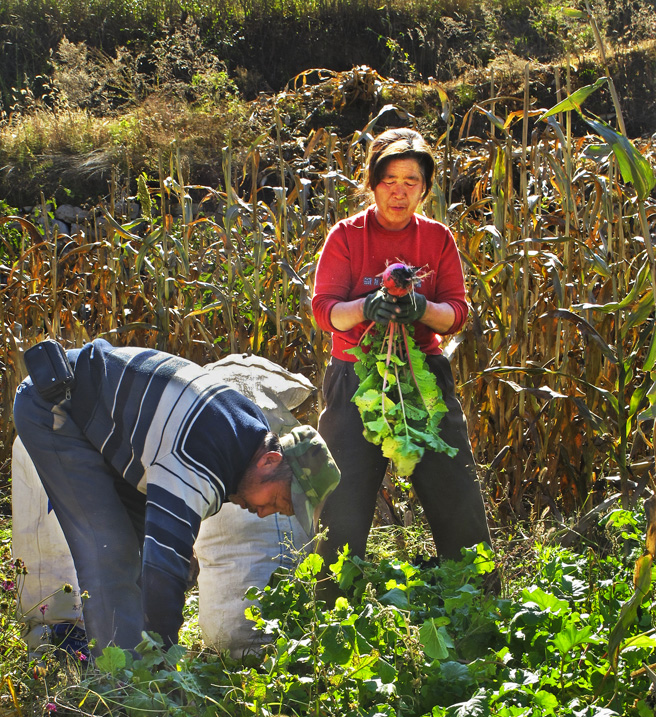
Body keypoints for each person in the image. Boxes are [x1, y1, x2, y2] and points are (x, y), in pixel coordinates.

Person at [13, 338, 340, 654]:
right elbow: (163, 570)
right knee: (109, 551)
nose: (267, 512)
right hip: (58, 405)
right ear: (270, 461)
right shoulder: (203, 454)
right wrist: (165, 661)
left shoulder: (248, 430)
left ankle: (130, 661)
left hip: (112, 433)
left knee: (140, 552)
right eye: (280, 501)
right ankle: (123, 689)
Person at [311, 127, 490, 570]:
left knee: (455, 491)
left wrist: (420, 308)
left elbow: (457, 313)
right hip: (357, 377)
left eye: (411, 182)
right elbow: (325, 311)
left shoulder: (437, 239)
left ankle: (473, 597)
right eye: (389, 181)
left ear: (425, 190)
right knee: (343, 500)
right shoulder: (347, 236)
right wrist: (367, 307)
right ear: (372, 184)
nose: (399, 192)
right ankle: (334, 605)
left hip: (422, 376)